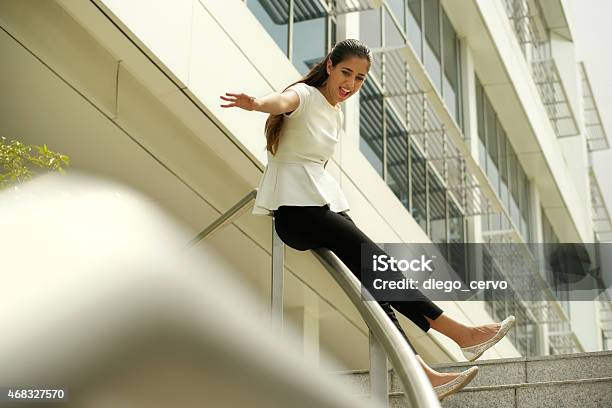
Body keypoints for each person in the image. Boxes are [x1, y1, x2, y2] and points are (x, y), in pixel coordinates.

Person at [220, 38, 515, 401]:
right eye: (346, 72)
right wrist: (256, 104)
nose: (351, 84)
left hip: (320, 205)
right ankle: (458, 334)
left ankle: (422, 372)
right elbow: (281, 102)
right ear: (329, 66)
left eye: (360, 79)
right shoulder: (305, 95)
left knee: (376, 280)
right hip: (296, 213)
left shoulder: (336, 112)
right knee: (379, 262)